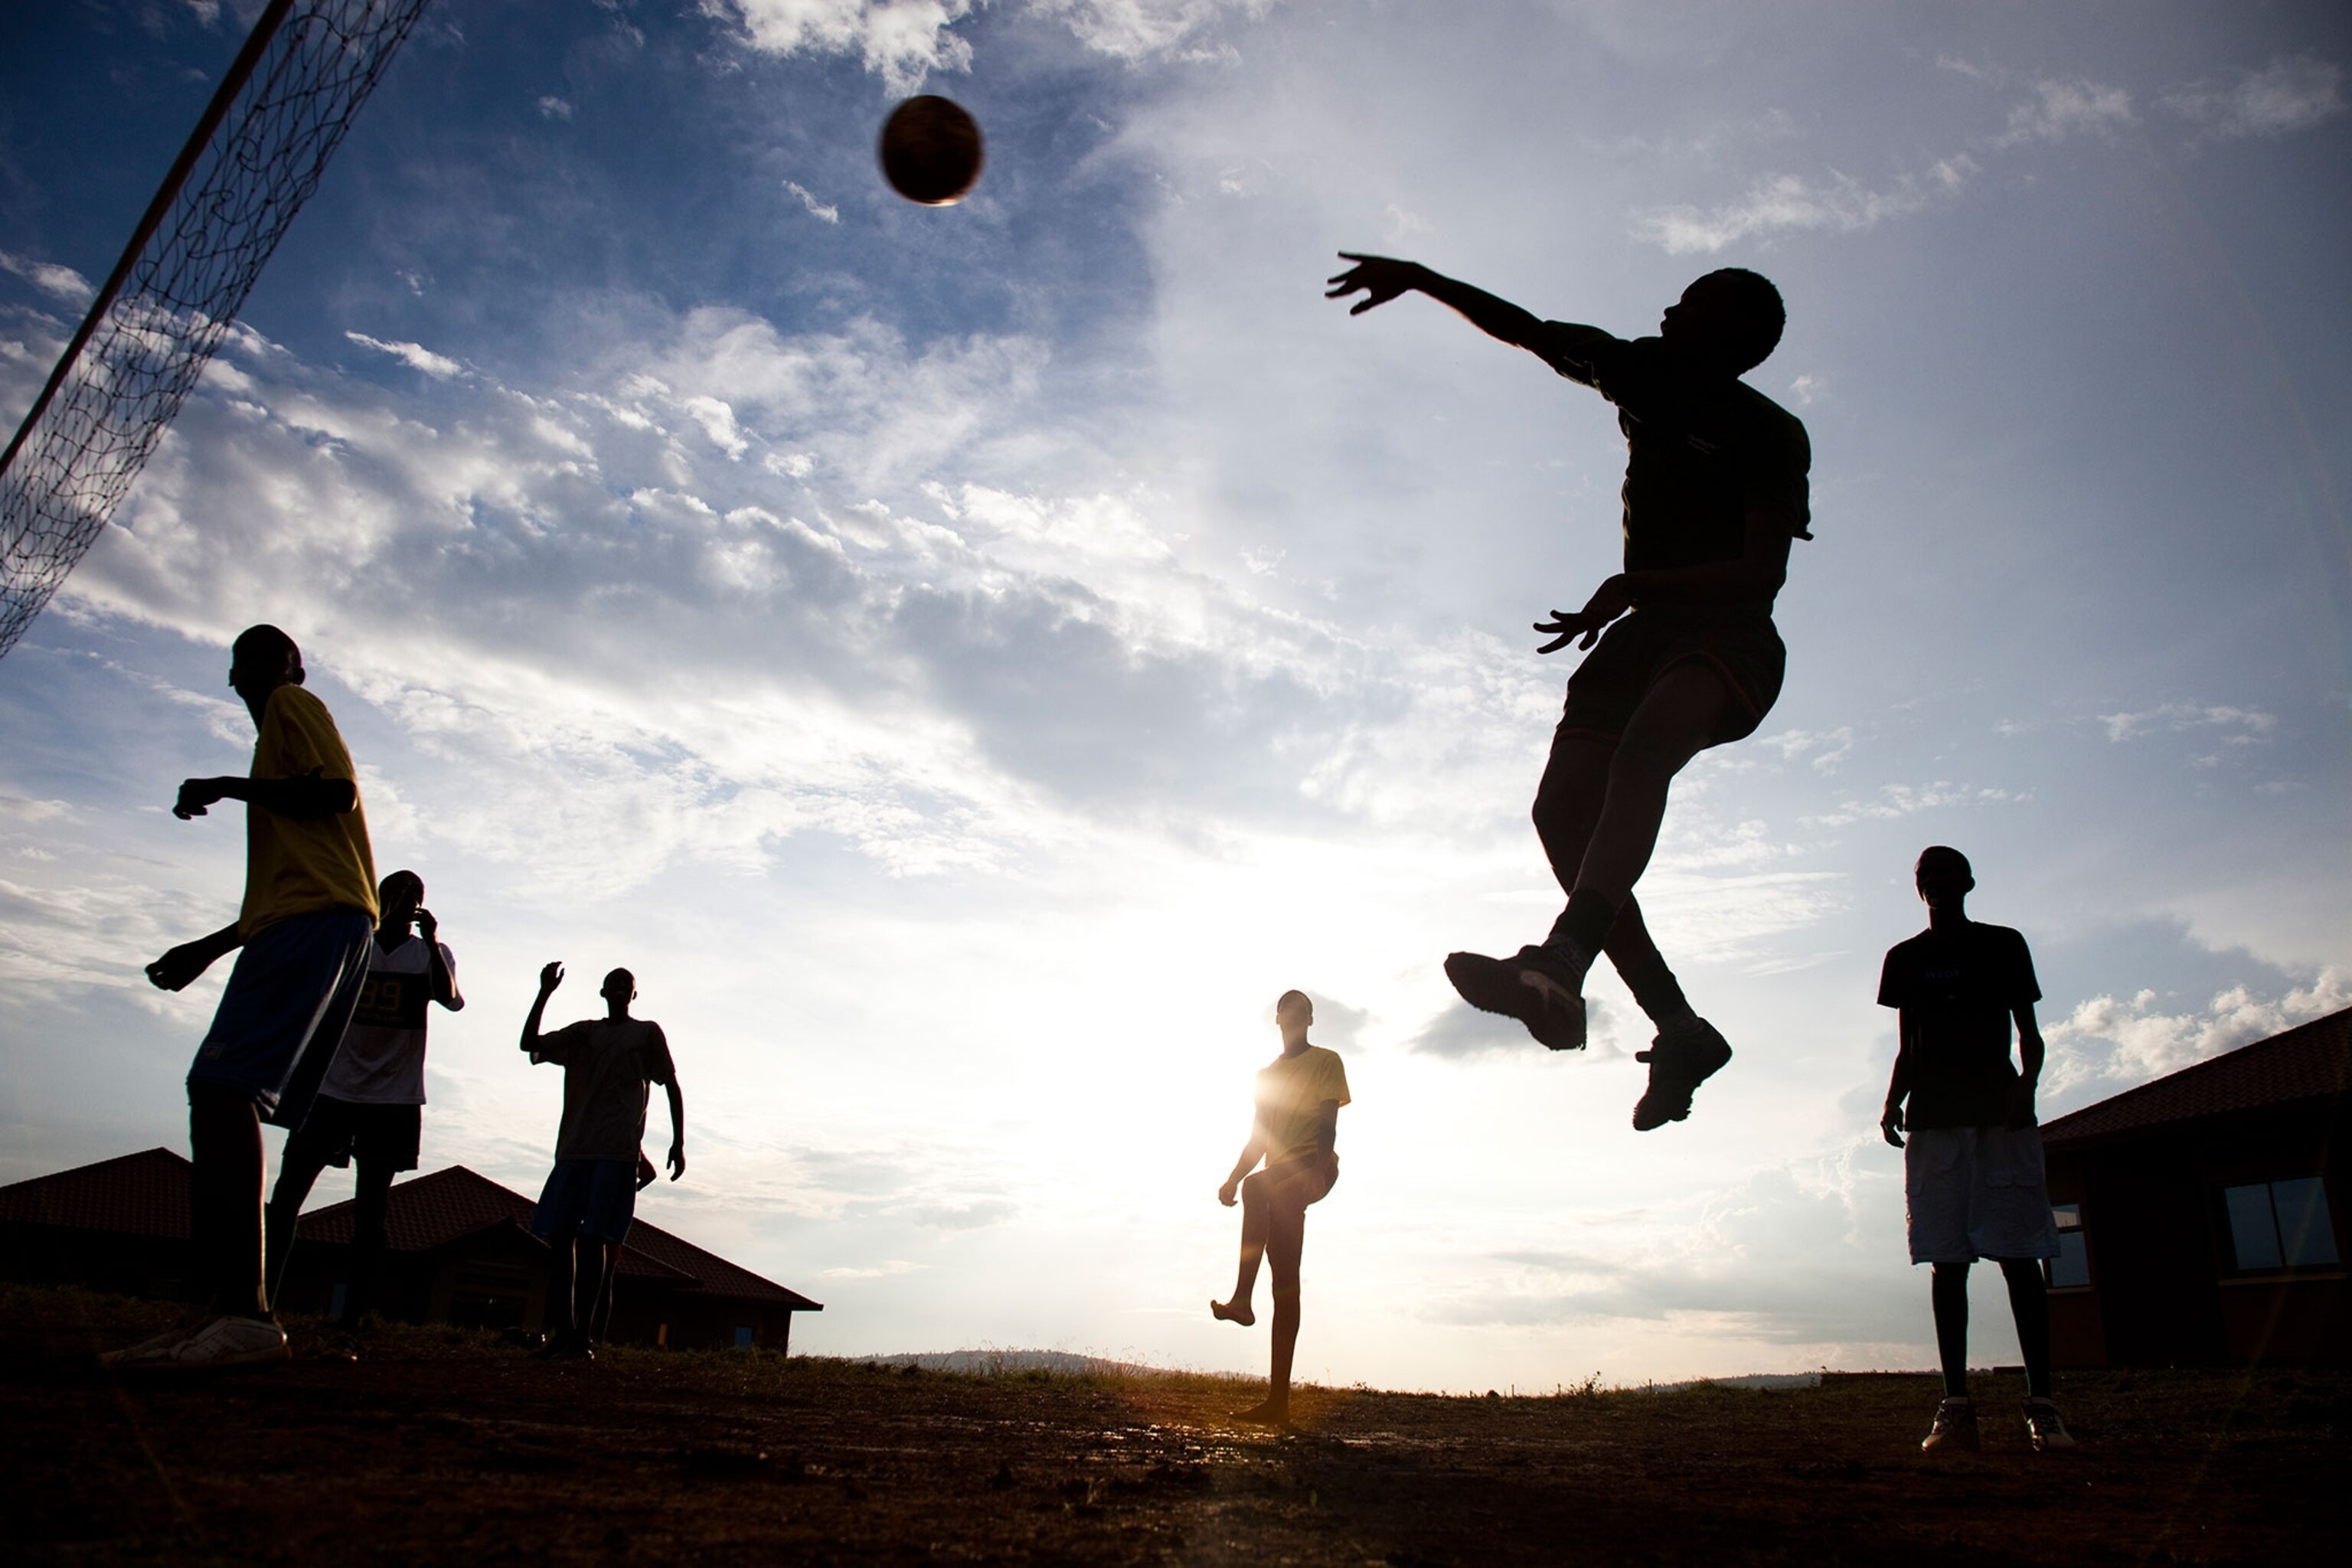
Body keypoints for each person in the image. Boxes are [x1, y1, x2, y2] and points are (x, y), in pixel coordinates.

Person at [1326, 255, 1811, 1130]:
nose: (1667, 306)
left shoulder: (1769, 432)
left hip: (1726, 635)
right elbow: (1529, 327)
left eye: (1692, 305)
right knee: (1562, 817)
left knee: (1645, 751)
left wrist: (1637, 587)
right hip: (1639, 638)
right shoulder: (1640, 371)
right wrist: (1424, 279)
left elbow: (1759, 571)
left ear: (1734, 339)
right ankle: (1681, 1028)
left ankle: (1559, 960)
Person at [105, 625, 378, 1371]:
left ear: (294, 667)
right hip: (310, 923)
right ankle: (226, 1311)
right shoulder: (276, 749)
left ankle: (244, 1313)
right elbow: (292, 878)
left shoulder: (295, 707)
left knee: (223, 1088)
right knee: (227, 1093)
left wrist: (224, 786)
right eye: (245, 659)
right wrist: (211, 946)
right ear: (232, 681)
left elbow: (336, 793)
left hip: (318, 923)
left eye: (270, 654)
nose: (256, 668)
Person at [1878, 845, 2076, 1453]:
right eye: (1926, 876)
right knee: (1948, 1261)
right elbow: (1908, 1043)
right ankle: (1956, 1407)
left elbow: (2030, 1036)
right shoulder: (1905, 959)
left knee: (2019, 1255)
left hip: (1999, 1118)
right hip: (1935, 1122)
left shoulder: (2004, 945)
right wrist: (1892, 1103)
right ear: (1918, 889)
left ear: (1968, 882)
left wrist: (2027, 1088)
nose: (1937, 883)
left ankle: (2042, 1406)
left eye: (1947, 874)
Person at [263, 869, 463, 1346]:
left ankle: (352, 1318)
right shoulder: (354, 942)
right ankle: (260, 1300)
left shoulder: (430, 954)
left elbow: (450, 998)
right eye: (394, 893)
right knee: (288, 1195)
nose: (402, 901)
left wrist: (432, 941)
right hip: (331, 1088)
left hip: (391, 1097)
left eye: (412, 895)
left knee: (371, 1212)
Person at [519, 962, 684, 1358]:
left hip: (616, 1152)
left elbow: (671, 1084)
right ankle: (565, 1333)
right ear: (603, 992)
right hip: (575, 1149)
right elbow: (530, 1044)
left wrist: (679, 1141)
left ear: (633, 995)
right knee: (561, 1240)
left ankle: (582, 1338)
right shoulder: (583, 1034)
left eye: (625, 985)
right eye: (612, 985)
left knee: (596, 1244)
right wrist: (544, 992)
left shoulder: (645, 1034)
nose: (618, 990)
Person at [1210, 990, 1350, 1426]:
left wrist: (1316, 1169)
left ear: (1310, 1018)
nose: (1293, 1016)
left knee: (1261, 1188)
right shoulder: (1266, 1076)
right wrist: (1232, 1176)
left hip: (1313, 1167)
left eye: (1300, 1010)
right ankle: (1278, 1403)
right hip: (1278, 1183)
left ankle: (1241, 1299)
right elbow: (1259, 1139)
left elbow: (1328, 1121)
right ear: (1277, 1020)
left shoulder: (1327, 1061)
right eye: (1286, 1010)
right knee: (1286, 1282)